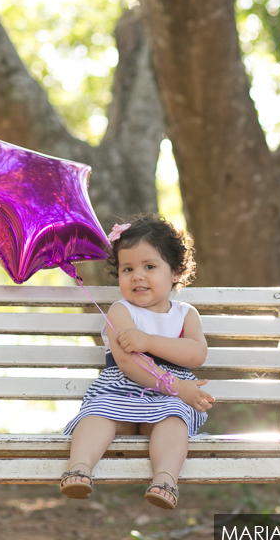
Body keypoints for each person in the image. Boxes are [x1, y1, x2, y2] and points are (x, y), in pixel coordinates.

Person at [60, 213, 215, 510]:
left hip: (169, 397)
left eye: (150, 266)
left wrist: (149, 342)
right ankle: (79, 467)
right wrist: (177, 385)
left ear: (175, 272)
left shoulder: (185, 314)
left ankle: (165, 479)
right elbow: (128, 363)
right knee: (98, 413)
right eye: (127, 268)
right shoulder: (120, 311)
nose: (137, 276)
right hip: (121, 390)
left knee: (174, 419)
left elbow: (197, 353)